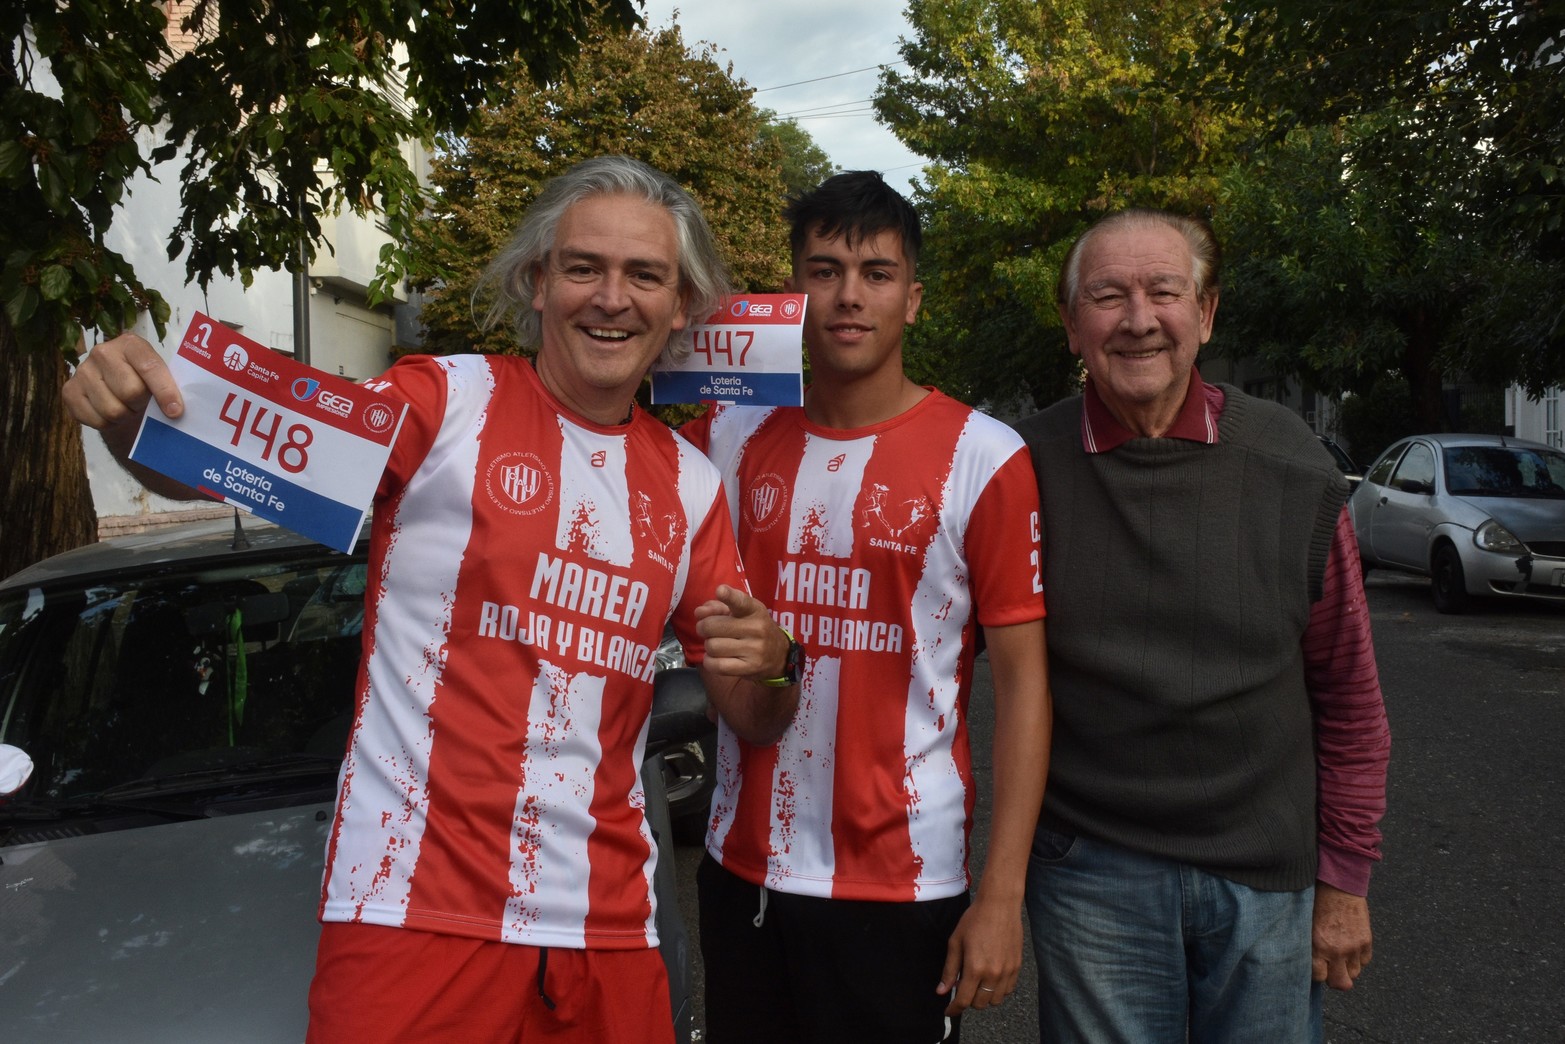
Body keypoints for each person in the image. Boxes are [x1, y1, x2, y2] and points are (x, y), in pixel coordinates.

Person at [61, 155, 801, 1044]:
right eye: (582, 268)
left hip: (608, 930)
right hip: (411, 914)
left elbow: (755, 715)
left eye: (644, 275)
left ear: (679, 306)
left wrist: (777, 662)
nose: (613, 298)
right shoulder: (444, 399)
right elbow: (227, 462)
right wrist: (128, 418)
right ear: (537, 283)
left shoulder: (688, 481)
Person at [679, 170, 1052, 1044]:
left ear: (912, 299)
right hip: (744, 872)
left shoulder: (985, 456)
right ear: (793, 292)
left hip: (902, 885)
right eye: (823, 269)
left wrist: (1002, 896)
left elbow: (1028, 688)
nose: (849, 296)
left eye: (876, 273)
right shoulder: (723, 436)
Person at [1014, 208, 1391, 1043]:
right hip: (1090, 875)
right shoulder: (1018, 469)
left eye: (1164, 292)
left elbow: (1349, 695)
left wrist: (1344, 880)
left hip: (1265, 878)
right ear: (1072, 324)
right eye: (1107, 296)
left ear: (1206, 314)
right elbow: (932, 649)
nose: (1138, 319)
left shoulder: (1290, 463)